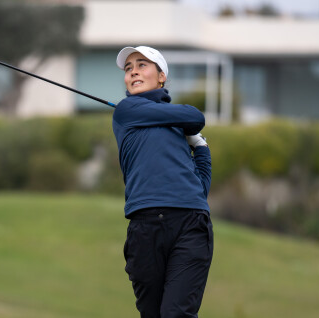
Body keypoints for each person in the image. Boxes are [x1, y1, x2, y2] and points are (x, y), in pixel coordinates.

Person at [112, 46, 213, 318]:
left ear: (161, 77)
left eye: (142, 64)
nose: (133, 70)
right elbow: (195, 116)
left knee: (176, 314)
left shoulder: (177, 128)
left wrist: (201, 148)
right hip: (145, 227)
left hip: (190, 223)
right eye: (128, 67)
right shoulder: (126, 110)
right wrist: (189, 129)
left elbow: (200, 188)